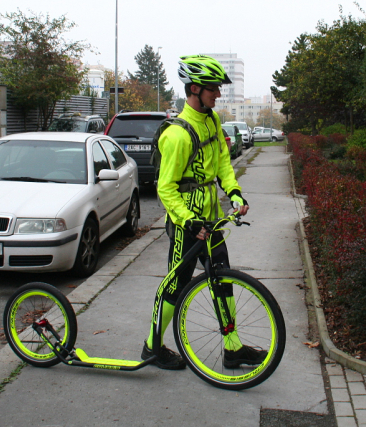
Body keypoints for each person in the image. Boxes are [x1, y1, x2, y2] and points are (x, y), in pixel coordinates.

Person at [141, 55, 266, 370]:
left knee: (222, 280)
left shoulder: (211, 120)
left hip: (212, 220)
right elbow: (165, 188)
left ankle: (232, 348)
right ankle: (152, 346)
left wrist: (234, 193)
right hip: (187, 225)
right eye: (213, 88)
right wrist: (187, 219)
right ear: (194, 88)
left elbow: (223, 162)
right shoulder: (176, 135)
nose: (219, 94)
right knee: (177, 285)